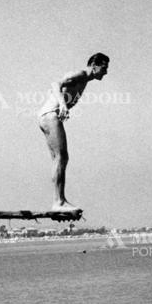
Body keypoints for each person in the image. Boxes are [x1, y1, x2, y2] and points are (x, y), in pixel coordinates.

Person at [38, 54, 109, 212]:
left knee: (59, 159)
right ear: (94, 65)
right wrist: (63, 105)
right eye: (104, 68)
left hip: (47, 116)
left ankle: (60, 201)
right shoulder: (81, 74)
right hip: (50, 114)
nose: (106, 72)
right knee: (62, 157)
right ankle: (59, 202)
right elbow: (55, 83)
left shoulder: (84, 81)